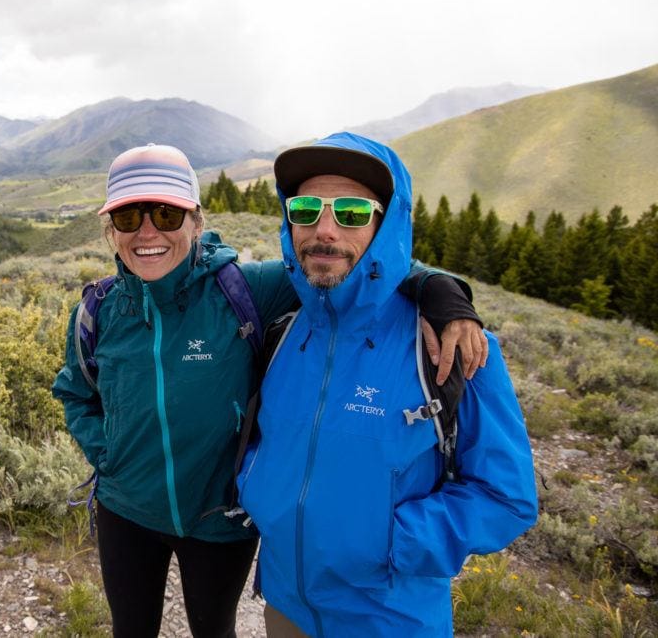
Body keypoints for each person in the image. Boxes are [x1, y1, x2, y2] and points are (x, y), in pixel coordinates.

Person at [52, 143, 487, 638]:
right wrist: (110, 455)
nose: (148, 232)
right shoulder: (99, 310)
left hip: (219, 519)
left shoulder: (245, 289)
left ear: (195, 221)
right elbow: (75, 392)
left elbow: (346, 261)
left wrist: (439, 290)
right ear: (112, 230)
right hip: (125, 511)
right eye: (129, 217)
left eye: (167, 214)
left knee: (214, 630)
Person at [237, 132, 538, 637]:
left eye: (352, 212)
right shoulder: (283, 328)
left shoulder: (451, 346)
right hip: (285, 608)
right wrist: (258, 489)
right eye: (306, 208)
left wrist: (389, 541)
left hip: (388, 619)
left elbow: (508, 498)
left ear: (387, 223)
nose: (324, 229)